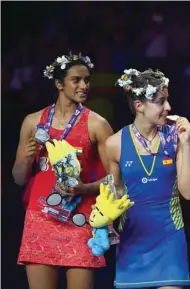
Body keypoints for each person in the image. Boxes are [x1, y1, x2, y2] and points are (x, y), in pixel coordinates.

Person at [13, 52, 114, 289]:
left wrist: (84, 188)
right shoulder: (32, 122)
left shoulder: (96, 123)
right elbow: (18, 178)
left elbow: (116, 179)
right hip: (40, 218)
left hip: (80, 220)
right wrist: (27, 158)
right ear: (59, 84)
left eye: (87, 80)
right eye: (76, 80)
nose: (84, 86)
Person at [106, 68, 190, 289]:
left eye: (167, 100)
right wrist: (105, 221)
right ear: (139, 106)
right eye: (161, 102)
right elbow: (114, 193)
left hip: (170, 239)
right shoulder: (114, 144)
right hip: (132, 241)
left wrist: (186, 144)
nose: (168, 108)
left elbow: (189, 192)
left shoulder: (175, 137)